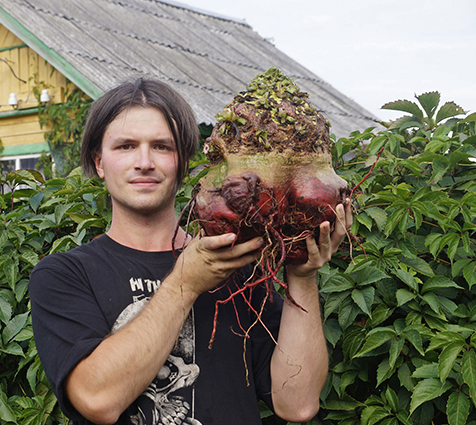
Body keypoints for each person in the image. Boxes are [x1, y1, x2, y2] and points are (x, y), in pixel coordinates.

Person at [29, 78, 352, 425]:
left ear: (184, 163)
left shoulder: (238, 263)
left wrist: (302, 277)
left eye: (162, 147)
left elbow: (298, 404)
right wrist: (186, 283)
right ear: (99, 163)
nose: (144, 162)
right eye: (125, 146)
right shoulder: (64, 275)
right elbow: (97, 399)